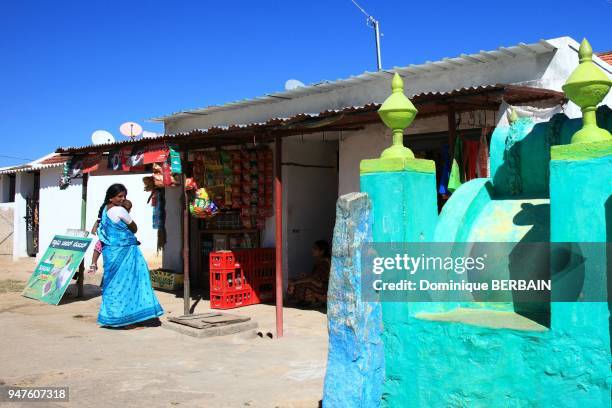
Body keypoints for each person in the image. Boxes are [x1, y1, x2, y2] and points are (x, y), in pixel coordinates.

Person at [94, 184, 163, 328]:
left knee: (113, 285)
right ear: (111, 197)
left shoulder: (104, 211)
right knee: (128, 284)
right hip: (124, 252)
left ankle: (113, 317)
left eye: (124, 196)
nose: (122, 199)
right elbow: (134, 227)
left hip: (110, 254)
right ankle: (124, 319)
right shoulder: (119, 210)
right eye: (119, 196)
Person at [88, 199, 133, 275]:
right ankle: (93, 263)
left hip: (119, 243)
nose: (128, 211)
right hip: (108, 238)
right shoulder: (112, 214)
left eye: (128, 209)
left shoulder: (126, 218)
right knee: (99, 245)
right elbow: (100, 219)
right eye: (126, 209)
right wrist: (95, 227)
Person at [287, 240, 331, 307]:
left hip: (323, 288)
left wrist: (296, 282)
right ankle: (305, 300)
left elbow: (314, 280)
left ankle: (313, 300)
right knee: (291, 281)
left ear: (322, 251)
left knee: (300, 285)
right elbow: (313, 277)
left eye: (315, 249)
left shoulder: (324, 263)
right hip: (318, 284)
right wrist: (306, 276)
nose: (312, 250)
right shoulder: (319, 261)